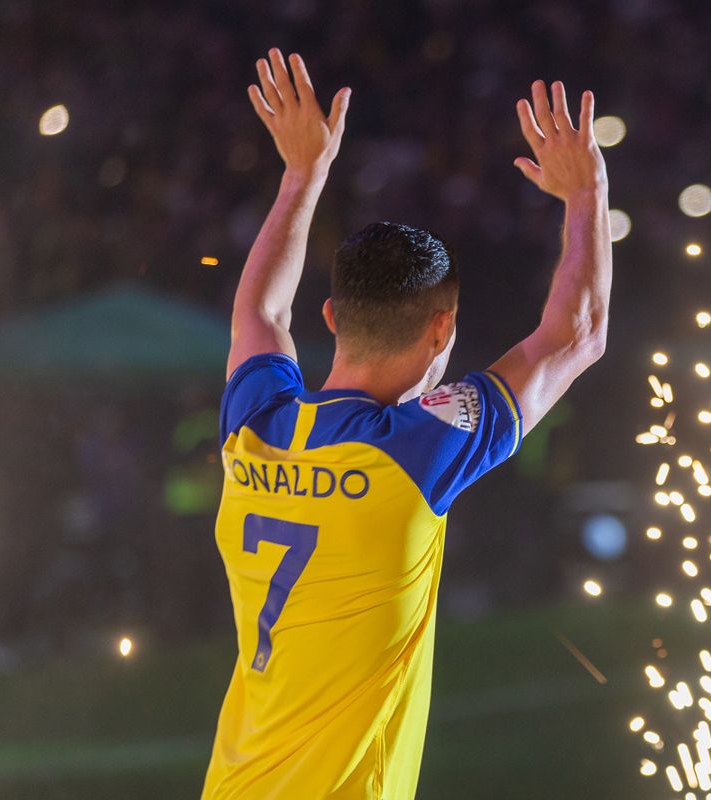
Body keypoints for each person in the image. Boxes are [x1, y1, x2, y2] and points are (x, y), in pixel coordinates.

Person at [201, 49, 610, 799]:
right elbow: (577, 334)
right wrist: (585, 195)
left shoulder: (254, 426)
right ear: (441, 328)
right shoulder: (415, 452)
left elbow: (257, 312)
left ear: (330, 317)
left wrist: (301, 174)